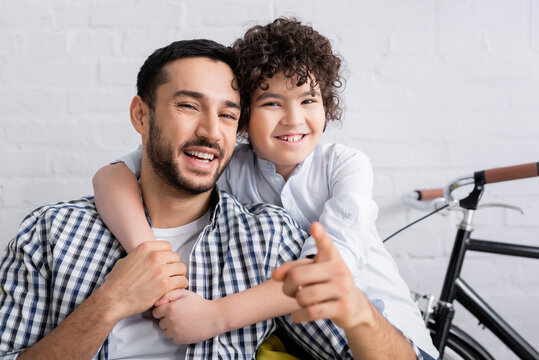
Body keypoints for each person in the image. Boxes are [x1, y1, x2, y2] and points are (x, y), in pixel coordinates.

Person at [92, 18, 439, 359]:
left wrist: (214, 317)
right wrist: (151, 261)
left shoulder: (344, 165)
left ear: (326, 104)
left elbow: (327, 273)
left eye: (308, 100)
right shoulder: (227, 162)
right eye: (272, 103)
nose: (293, 118)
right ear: (243, 116)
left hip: (386, 335)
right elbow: (112, 176)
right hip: (301, 336)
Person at [0, 39, 350, 360]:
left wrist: (363, 317)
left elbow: (357, 349)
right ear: (141, 115)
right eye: (188, 106)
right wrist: (109, 304)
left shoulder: (267, 238)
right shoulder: (52, 231)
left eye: (227, 115)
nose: (211, 131)